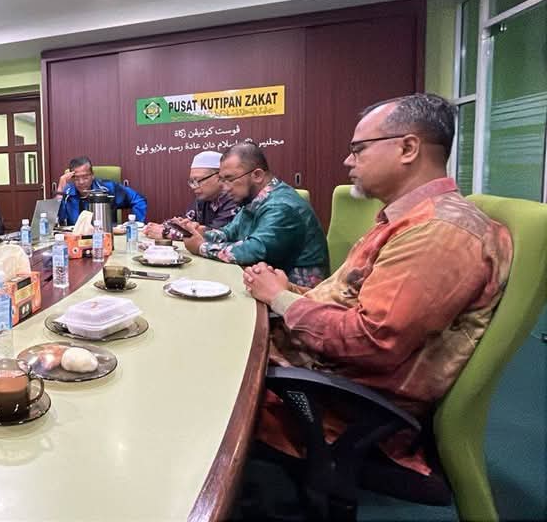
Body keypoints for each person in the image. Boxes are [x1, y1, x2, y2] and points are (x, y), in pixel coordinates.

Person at [242, 93, 513, 478]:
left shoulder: (438, 233)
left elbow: (372, 341)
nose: (348, 161)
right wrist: (287, 293)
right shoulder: (408, 219)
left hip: (337, 409)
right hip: (318, 374)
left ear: (408, 148)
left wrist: (281, 299)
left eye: (359, 149)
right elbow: (352, 301)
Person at [180, 143, 328, 287]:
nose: (225, 188)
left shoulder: (281, 206)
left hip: (295, 293)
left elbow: (254, 250)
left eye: (230, 179)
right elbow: (229, 233)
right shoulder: (253, 200)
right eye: (222, 180)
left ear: (257, 175)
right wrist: (201, 234)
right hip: (263, 280)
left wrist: (201, 247)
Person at [143, 150, 238, 239]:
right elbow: (186, 224)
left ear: (219, 177)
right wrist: (168, 226)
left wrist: (167, 232)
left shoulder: (235, 198)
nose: (193, 186)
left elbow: (216, 235)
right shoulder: (202, 198)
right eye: (192, 182)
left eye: (198, 180)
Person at [55, 156, 147, 224]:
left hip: (104, 236)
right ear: (71, 178)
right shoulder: (66, 193)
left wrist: (137, 225)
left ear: (92, 175)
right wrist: (60, 190)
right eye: (76, 178)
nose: (81, 182)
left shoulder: (108, 188)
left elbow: (138, 199)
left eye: (85, 177)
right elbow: (57, 221)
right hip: (76, 240)